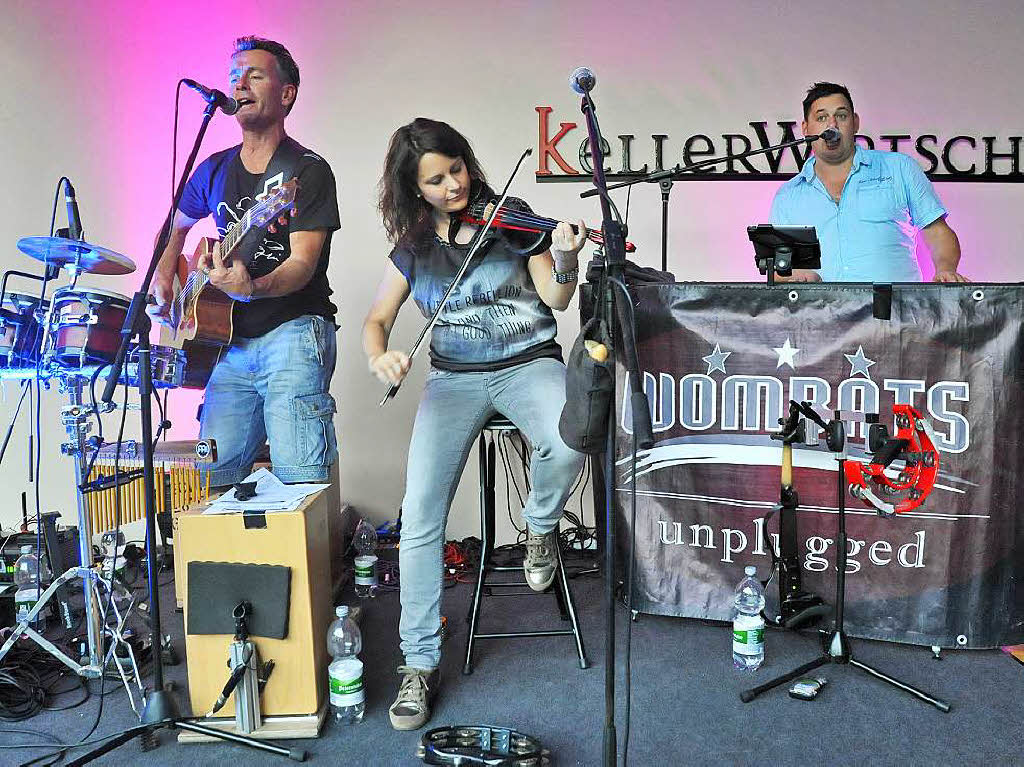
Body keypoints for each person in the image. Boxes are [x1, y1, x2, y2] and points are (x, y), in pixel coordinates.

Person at [362, 118, 587, 731]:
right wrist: (381, 355)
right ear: (414, 188)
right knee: (421, 514)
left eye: (456, 169)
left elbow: (558, 299)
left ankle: (540, 526)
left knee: (572, 436)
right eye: (434, 180)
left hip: (526, 363)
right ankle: (419, 662)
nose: (452, 185)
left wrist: (563, 253)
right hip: (453, 379)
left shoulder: (511, 219)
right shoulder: (414, 246)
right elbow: (376, 321)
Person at [149, 36, 340, 486]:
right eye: (235, 76)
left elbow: (302, 265)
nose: (240, 84)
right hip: (224, 346)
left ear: (286, 93)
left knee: (299, 476)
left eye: (255, 75)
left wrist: (251, 287)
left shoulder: (304, 172)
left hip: (291, 332)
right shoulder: (213, 168)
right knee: (214, 475)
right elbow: (173, 228)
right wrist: (164, 275)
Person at [770, 82, 967, 283]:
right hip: (820, 312)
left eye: (841, 116)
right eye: (821, 118)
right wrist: (796, 278)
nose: (832, 125)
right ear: (806, 128)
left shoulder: (899, 168)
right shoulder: (788, 195)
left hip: (896, 311)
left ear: (855, 122)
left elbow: (937, 232)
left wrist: (945, 270)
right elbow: (779, 269)